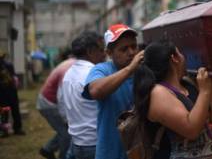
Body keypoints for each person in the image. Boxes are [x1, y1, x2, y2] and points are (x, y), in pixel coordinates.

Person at [133, 40, 212, 159]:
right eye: (180, 53)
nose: (184, 57)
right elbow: (192, 130)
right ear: (174, 58)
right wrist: (204, 91)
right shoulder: (158, 93)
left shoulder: (188, 85)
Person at [82, 24, 143, 159]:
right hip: (111, 152)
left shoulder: (143, 70)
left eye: (134, 46)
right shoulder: (101, 70)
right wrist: (130, 69)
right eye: (124, 49)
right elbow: (95, 91)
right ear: (109, 53)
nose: (131, 52)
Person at [61, 31, 106, 159]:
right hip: (95, 143)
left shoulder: (68, 74)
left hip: (77, 142)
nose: (104, 54)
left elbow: (62, 104)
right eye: (101, 50)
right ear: (90, 51)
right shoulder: (93, 75)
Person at [37, 55, 75, 159]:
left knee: (65, 130)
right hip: (49, 103)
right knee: (66, 134)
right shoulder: (71, 68)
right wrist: (66, 118)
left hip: (48, 101)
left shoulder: (71, 62)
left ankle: (47, 149)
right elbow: (61, 96)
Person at [0, 49, 25, 136]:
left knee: (5, 111)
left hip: (4, 93)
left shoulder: (8, 65)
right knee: (14, 110)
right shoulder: (9, 65)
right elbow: (15, 78)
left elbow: (14, 78)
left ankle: (5, 130)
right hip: (11, 91)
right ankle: (17, 129)